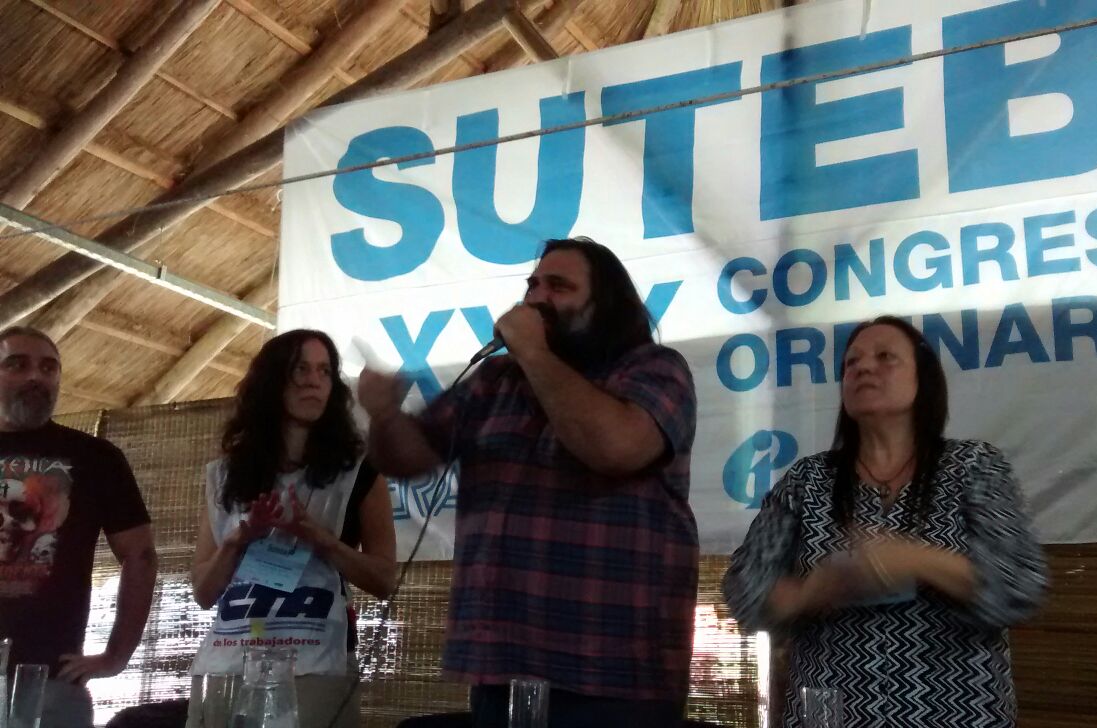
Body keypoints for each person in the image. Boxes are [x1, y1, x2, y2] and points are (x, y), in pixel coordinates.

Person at [360, 237, 699, 728]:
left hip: (616, 672)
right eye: (533, 285)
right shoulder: (495, 380)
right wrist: (385, 414)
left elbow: (617, 448)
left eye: (558, 286)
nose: (537, 298)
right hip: (503, 665)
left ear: (605, 303)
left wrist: (535, 352)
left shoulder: (654, 368)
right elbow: (406, 458)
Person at [723, 316, 1048, 728]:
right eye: (852, 362)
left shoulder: (973, 465)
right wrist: (809, 593)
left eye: (885, 357)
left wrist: (916, 560)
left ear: (923, 379)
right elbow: (743, 589)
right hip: (832, 711)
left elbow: (1021, 585)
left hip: (957, 712)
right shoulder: (808, 480)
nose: (863, 368)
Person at [188, 330, 396, 728]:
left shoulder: (360, 472)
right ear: (272, 380)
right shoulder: (225, 475)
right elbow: (202, 592)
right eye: (301, 369)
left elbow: (385, 579)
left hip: (316, 663)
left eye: (324, 371)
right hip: (228, 661)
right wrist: (239, 539)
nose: (313, 381)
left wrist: (317, 537)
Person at [0, 325, 157, 728]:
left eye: (48, 367)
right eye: (17, 364)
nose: (36, 376)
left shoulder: (95, 457)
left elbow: (140, 554)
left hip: (51, 678)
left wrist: (116, 655)